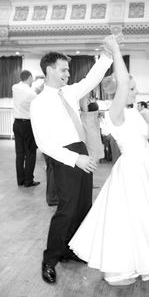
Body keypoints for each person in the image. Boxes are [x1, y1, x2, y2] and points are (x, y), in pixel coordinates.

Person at [69, 35, 149, 286]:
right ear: (121, 90)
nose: (136, 90)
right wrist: (116, 49)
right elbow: (122, 83)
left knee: (141, 217)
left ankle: (137, 261)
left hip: (146, 168)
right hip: (131, 169)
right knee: (128, 217)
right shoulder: (114, 112)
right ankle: (120, 266)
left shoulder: (135, 112)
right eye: (133, 88)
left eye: (135, 88)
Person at [30, 40, 113, 284]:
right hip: (64, 156)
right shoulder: (39, 103)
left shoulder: (68, 92)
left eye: (68, 69)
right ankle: (50, 259)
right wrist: (75, 158)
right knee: (66, 210)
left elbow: (91, 79)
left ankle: (71, 250)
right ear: (49, 70)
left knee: (83, 206)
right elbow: (44, 143)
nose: (68, 73)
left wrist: (107, 56)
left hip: (81, 151)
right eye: (63, 69)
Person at [12, 70, 40, 187]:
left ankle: (20, 180)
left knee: (19, 153)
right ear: (29, 77)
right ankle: (28, 180)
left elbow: (28, 91)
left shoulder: (15, 87)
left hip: (17, 124)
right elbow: (36, 98)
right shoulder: (31, 92)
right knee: (30, 153)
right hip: (27, 125)